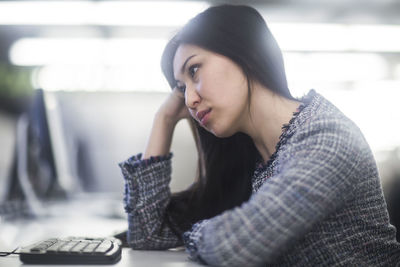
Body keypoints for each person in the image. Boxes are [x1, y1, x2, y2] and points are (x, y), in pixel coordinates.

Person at [119, 4, 400, 266]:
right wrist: (164, 119)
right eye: (181, 89)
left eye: (194, 70)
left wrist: (191, 233)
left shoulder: (327, 137)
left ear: (244, 53)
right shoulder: (250, 157)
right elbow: (147, 235)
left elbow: (238, 245)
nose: (189, 99)